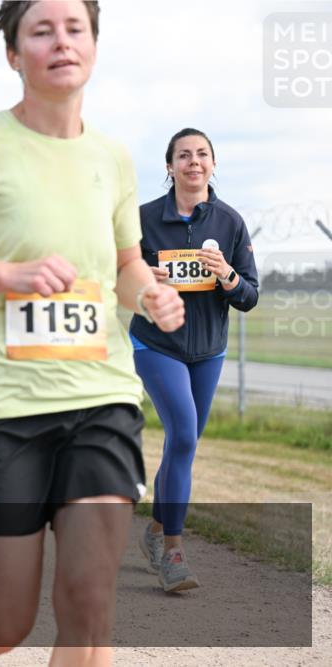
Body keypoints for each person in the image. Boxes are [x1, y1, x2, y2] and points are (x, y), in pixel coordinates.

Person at [0, 3, 186, 665]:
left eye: (75, 28)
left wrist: (150, 293)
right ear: (14, 54)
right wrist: (9, 274)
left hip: (101, 396)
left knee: (89, 604)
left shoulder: (113, 157)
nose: (61, 42)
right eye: (42, 31)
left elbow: (126, 264)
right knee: (5, 619)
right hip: (1, 407)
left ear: (94, 45)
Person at [132, 128, 259, 592]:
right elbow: (113, 276)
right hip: (156, 343)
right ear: (169, 166)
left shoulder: (230, 222)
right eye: (183, 155)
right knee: (183, 433)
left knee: (182, 444)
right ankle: (174, 553)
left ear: (213, 164)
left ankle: (155, 528)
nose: (193, 162)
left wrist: (227, 275)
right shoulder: (143, 219)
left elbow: (250, 295)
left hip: (209, 350)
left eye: (202, 154)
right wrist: (141, 277)